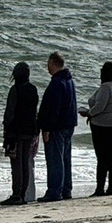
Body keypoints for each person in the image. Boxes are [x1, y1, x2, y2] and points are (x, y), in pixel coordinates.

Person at [79, 61, 112, 197]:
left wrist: (88, 113)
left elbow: (100, 106)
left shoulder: (106, 87)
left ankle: (100, 188)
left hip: (102, 125)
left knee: (102, 157)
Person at [36, 51, 78, 203]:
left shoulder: (57, 83)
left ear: (53, 63)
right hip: (69, 124)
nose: (47, 67)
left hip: (57, 127)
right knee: (65, 158)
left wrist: (46, 128)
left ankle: (54, 191)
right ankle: (66, 189)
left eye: (48, 64)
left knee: (55, 159)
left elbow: (52, 109)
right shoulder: (69, 81)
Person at [0, 62, 39, 206]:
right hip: (29, 131)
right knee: (25, 162)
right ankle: (22, 193)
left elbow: (9, 113)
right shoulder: (33, 89)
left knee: (16, 163)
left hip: (15, 132)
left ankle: (16, 194)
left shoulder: (15, 90)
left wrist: (6, 128)